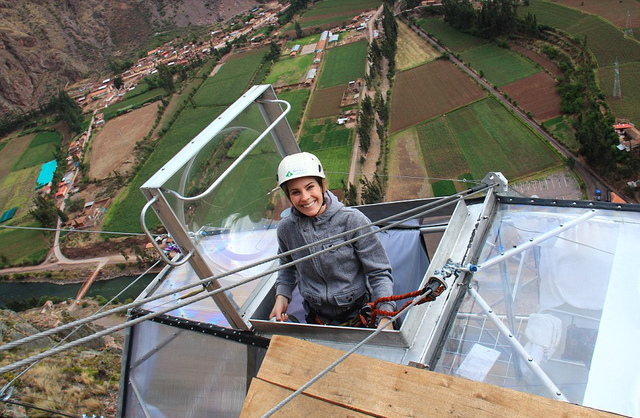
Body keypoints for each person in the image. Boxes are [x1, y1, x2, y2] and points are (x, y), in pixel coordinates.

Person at [269, 152, 395, 329]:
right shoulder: (286, 229)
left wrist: (384, 314)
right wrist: (282, 295)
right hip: (316, 317)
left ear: (323, 185)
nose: (305, 197)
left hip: (358, 313)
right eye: (295, 192)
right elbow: (287, 266)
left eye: (310, 187)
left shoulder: (352, 221)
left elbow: (379, 273)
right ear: (289, 196)